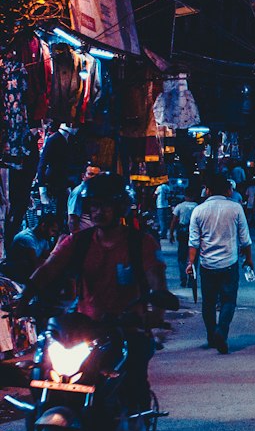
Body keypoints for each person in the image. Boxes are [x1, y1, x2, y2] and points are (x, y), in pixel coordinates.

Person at [15, 173, 174, 407]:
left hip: (126, 327)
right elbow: (47, 271)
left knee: (134, 385)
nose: (98, 212)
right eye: (94, 206)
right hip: (84, 327)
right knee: (44, 375)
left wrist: (155, 316)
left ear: (120, 207)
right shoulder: (77, 242)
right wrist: (23, 299)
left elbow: (157, 283)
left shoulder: (141, 243)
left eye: (105, 206)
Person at [186, 174, 253, 354]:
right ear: (227, 189)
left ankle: (211, 335)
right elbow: (245, 239)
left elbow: (194, 242)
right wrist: (249, 259)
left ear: (207, 190)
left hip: (207, 265)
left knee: (208, 302)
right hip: (229, 263)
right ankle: (221, 331)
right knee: (228, 301)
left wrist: (190, 263)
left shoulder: (198, 211)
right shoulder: (235, 208)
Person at [0, 211, 61, 284]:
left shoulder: (44, 239)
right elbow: (35, 265)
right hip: (14, 279)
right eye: (53, 231)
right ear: (43, 226)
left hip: (26, 276)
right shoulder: (27, 238)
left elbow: (48, 260)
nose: (53, 235)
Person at [168, 184, 199, 286]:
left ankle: (183, 278)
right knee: (193, 257)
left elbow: (174, 220)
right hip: (194, 233)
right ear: (194, 195)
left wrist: (171, 233)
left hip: (182, 232)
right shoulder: (197, 207)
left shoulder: (180, 206)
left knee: (181, 257)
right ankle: (191, 279)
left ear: (185, 195)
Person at [66, 165, 102, 232]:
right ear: (83, 176)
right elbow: (72, 220)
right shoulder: (78, 192)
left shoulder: (94, 192)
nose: (94, 177)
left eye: (97, 175)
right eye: (91, 174)